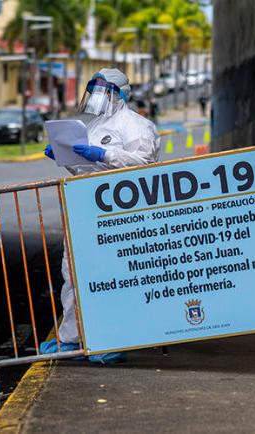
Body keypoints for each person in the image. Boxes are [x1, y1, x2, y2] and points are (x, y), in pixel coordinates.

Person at [40, 68, 161, 363]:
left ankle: (114, 338)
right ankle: (73, 338)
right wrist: (65, 157)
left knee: (114, 274)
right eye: (93, 92)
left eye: (103, 92)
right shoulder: (93, 126)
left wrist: (103, 155)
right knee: (75, 274)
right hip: (84, 207)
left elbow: (143, 163)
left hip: (119, 212)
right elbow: (87, 170)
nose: (97, 98)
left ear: (119, 94)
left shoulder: (136, 126)